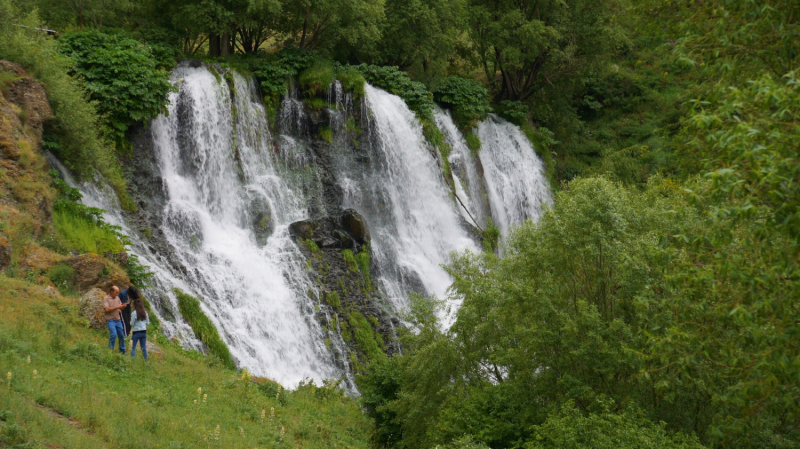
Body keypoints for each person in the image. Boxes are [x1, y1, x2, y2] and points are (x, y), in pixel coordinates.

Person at [102, 285, 126, 354]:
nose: (117, 294)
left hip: (118, 320)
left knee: (121, 335)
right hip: (110, 320)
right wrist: (117, 307)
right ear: (111, 291)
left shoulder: (117, 298)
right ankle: (110, 350)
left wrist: (123, 306)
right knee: (113, 334)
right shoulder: (106, 298)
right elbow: (107, 309)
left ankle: (123, 351)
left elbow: (120, 308)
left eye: (118, 292)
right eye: (116, 292)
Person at [128, 286, 150, 361]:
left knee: (132, 348)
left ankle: (133, 362)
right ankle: (146, 361)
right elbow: (147, 323)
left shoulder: (134, 313)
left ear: (135, 306)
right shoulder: (145, 313)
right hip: (144, 332)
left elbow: (132, 323)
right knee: (143, 348)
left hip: (136, 332)